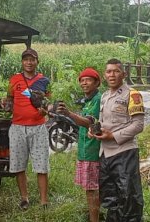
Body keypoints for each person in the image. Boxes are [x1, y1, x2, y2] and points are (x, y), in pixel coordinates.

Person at [90, 58, 145, 222]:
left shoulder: (132, 95)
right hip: (105, 154)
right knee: (110, 198)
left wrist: (113, 136)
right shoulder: (105, 96)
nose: (112, 75)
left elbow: (138, 125)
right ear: (104, 75)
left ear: (124, 74)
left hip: (124, 153)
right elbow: (103, 122)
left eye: (116, 71)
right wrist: (94, 130)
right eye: (108, 71)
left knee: (129, 198)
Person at [1, 48, 50, 209]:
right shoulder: (14, 79)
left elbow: (49, 103)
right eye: (26, 59)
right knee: (19, 165)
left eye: (32, 59)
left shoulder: (44, 80)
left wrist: (46, 110)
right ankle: (24, 198)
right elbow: (9, 101)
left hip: (38, 127)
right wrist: (5, 105)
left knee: (41, 166)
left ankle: (44, 201)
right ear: (22, 62)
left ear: (37, 62)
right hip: (17, 127)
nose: (29, 62)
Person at [55, 67, 102, 222]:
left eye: (88, 80)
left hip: (93, 150)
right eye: (82, 80)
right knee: (90, 188)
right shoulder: (87, 101)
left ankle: (94, 219)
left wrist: (68, 113)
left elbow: (90, 122)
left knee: (92, 188)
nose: (84, 83)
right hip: (85, 150)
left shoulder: (97, 100)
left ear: (97, 82)